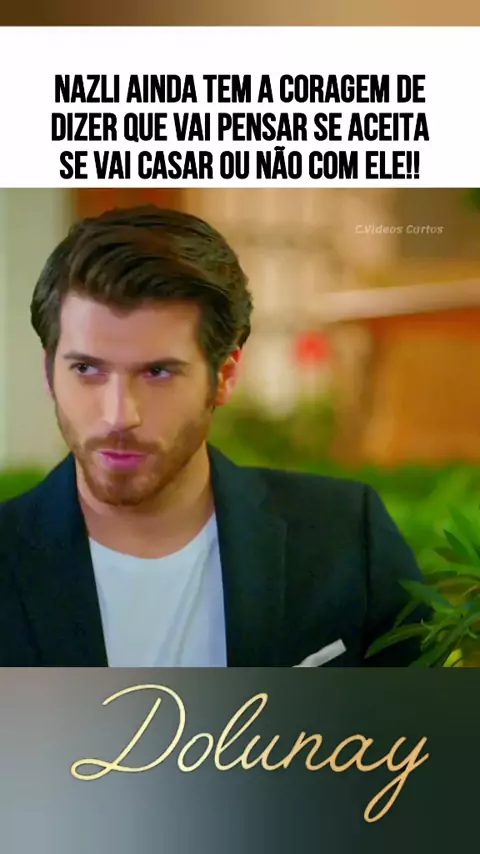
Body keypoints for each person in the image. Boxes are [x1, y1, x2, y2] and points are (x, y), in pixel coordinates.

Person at [0, 205, 428, 667]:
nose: (119, 416)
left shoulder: (346, 538)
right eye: (86, 369)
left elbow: (427, 710)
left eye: (158, 372)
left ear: (224, 376)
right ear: (49, 371)